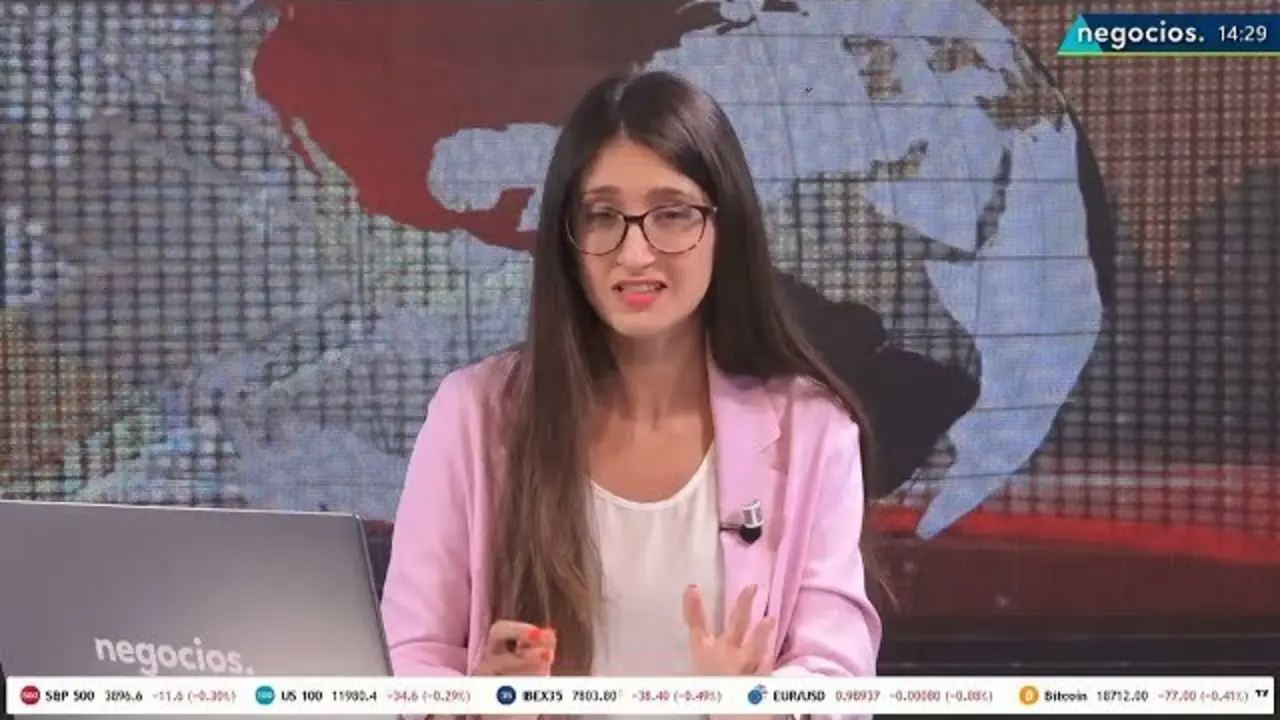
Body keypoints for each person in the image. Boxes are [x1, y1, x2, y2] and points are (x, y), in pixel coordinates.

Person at [381, 70, 882, 719]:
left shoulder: (813, 428)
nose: (636, 253)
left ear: (724, 226)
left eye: (672, 214)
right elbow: (408, 655)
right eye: (603, 216)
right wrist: (474, 701)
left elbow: (838, 671)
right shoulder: (472, 414)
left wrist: (758, 705)